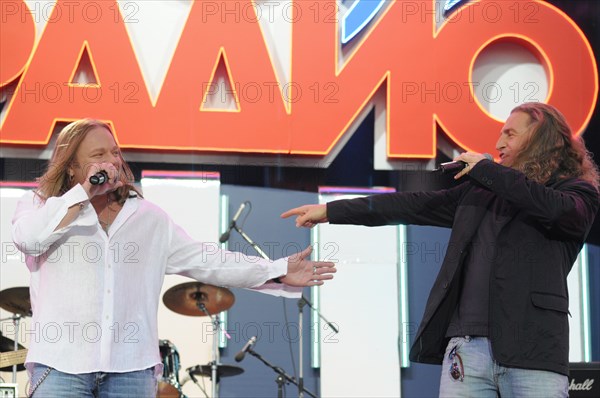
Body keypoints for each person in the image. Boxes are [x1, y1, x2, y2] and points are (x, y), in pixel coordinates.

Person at [281, 103, 599, 397]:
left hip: (533, 350)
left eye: (510, 133)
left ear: (541, 140)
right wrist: (332, 211)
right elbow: (410, 205)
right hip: (467, 351)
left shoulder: (574, 193)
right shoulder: (480, 194)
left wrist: (488, 171)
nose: (499, 141)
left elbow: (557, 212)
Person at [11, 119, 336, 398]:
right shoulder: (38, 206)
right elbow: (29, 239)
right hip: (60, 367)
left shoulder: (148, 219)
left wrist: (279, 269)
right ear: (71, 167)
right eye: (98, 155)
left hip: (131, 370)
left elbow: (209, 260)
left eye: (114, 152)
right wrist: (84, 193)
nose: (111, 161)